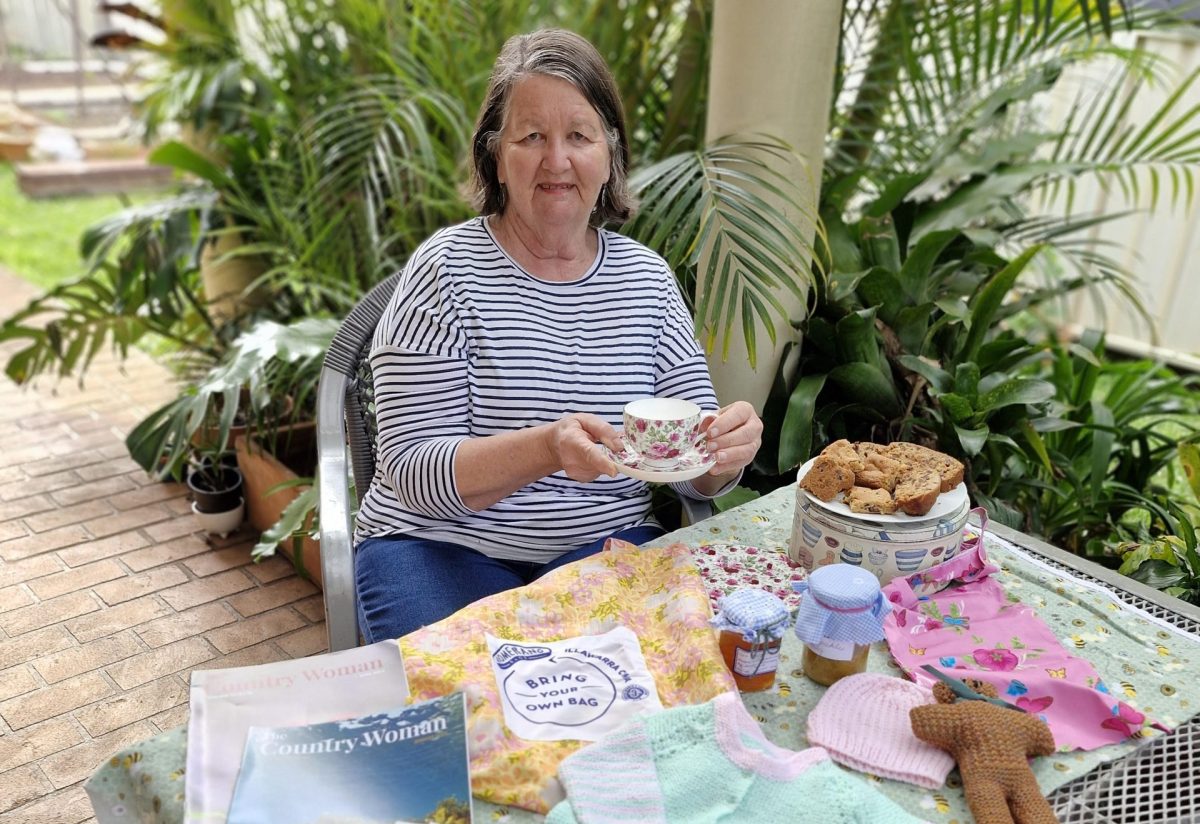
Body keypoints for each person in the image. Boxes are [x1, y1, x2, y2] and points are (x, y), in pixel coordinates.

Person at [353, 28, 763, 641]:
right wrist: (548, 447)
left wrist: (722, 456)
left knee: (638, 703)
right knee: (472, 713)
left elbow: (687, 467)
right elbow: (410, 469)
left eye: (578, 135)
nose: (556, 160)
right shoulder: (445, 269)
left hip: (601, 551)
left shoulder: (648, 281)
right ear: (497, 156)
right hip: (437, 551)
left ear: (609, 154)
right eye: (531, 137)